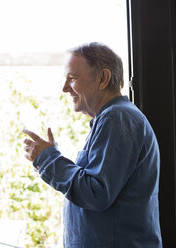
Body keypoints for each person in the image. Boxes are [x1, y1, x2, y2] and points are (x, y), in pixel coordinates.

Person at [23, 42, 162, 247]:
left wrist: (48, 159)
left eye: (72, 78)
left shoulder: (117, 118)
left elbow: (96, 192)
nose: (64, 89)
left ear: (103, 78)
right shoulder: (114, 119)